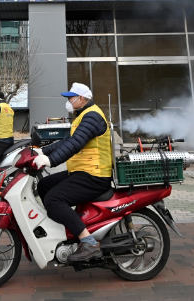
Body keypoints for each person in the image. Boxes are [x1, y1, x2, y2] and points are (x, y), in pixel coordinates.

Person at [32, 82, 113, 263]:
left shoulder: (92, 116)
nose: (68, 101)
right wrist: (42, 152)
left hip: (95, 175)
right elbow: (66, 141)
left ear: (82, 99)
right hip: (82, 171)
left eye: (71, 98)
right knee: (44, 185)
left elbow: (75, 144)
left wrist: (51, 161)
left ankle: (89, 242)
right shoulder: (83, 115)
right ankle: (65, 228)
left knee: (54, 198)